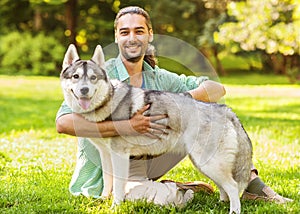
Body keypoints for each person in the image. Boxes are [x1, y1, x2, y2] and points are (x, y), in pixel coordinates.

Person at [56, 6, 292, 206]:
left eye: (139, 31)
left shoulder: (160, 78)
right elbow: (63, 123)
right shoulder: (98, 74)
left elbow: (216, 89)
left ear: (150, 35)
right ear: (116, 37)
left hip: (151, 153)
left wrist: (179, 102)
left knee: (208, 122)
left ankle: (253, 185)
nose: (132, 38)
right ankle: (181, 189)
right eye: (124, 32)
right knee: (145, 198)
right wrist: (127, 126)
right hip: (111, 171)